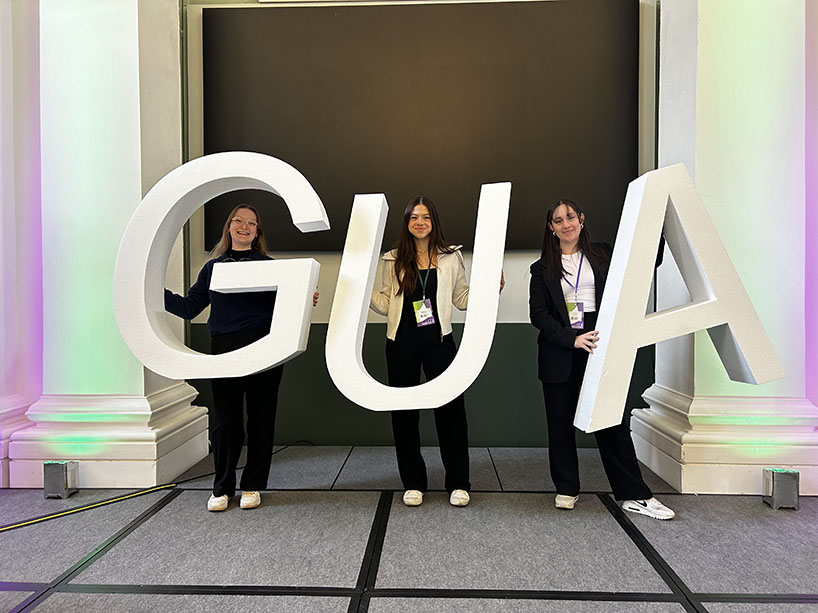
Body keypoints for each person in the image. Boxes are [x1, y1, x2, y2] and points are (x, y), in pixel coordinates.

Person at [165, 204, 318, 512]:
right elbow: (188, 308)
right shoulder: (213, 268)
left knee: (261, 418)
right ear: (229, 226)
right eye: (238, 220)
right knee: (225, 422)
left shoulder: (271, 267)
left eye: (252, 222)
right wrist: (151, 290)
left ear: (258, 231)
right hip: (224, 348)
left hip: (266, 348)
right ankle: (221, 488)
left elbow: (286, 308)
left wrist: (306, 300)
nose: (245, 226)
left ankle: (252, 485)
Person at [528, 199, 675, 520]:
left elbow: (643, 263)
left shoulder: (604, 254)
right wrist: (572, 338)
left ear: (581, 219)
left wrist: (660, 225)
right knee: (559, 426)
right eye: (558, 220)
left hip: (599, 348)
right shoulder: (540, 269)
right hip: (560, 352)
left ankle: (634, 495)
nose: (566, 224)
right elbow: (538, 315)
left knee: (611, 424)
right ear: (550, 228)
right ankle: (567, 488)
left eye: (570, 217)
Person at [371, 195, 502, 507]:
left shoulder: (450, 257)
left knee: (451, 413)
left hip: (439, 342)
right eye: (414, 217)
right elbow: (388, 302)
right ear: (406, 222)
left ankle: (458, 482)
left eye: (426, 217)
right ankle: (414, 483)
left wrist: (488, 289)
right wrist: (361, 294)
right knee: (404, 414)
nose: (420, 222)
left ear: (434, 222)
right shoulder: (391, 259)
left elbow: (460, 298)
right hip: (400, 342)